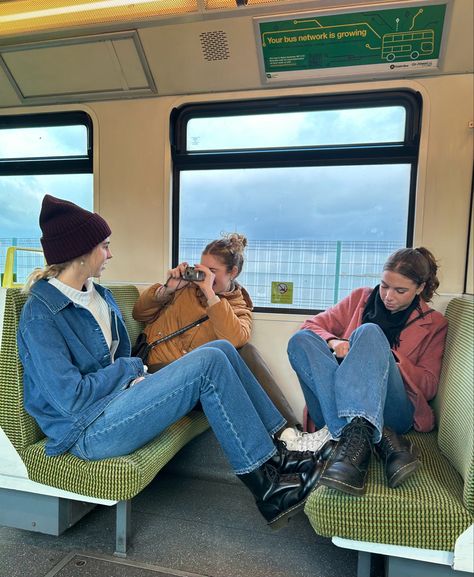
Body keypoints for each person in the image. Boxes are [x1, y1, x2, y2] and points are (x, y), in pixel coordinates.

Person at [18, 195, 323, 528]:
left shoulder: (99, 296)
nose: (110, 254)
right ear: (81, 251)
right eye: (104, 246)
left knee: (221, 351)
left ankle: (280, 461)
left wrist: (133, 379)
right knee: (209, 361)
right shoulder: (41, 313)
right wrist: (132, 370)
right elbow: (70, 397)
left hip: (119, 401)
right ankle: (268, 485)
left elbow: (232, 339)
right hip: (86, 431)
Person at [132, 234, 330, 453]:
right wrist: (168, 289)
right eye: (201, 269)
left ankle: (288, 435)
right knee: (231, 372)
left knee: (246, 352)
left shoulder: (238, 305)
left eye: (212, 272)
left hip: (198, 380)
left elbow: (235, 339)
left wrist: (210, 294)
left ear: (232, 273)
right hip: (157, 371)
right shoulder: (181, 290)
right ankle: (286, 439)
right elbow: (139, 313)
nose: (203, 277)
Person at [287, 247, 448, 496]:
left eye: (400, 290)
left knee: (369, 332)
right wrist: (335, 343)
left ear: (419, 288)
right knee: (300, 341)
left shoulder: (434, 323)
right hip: (339, 402)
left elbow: (428, 385)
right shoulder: (360, 298)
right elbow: (310, 325)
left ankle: (352, 443)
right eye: (384, 286)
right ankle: (366, 435)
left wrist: (386, 358)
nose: (387, 296)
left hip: (393, 410)